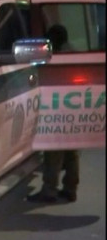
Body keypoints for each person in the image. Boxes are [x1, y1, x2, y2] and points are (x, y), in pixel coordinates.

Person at [27, 24, 78, 203]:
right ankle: (70, 188)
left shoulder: (58, 57)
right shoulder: (75, 53)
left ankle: (49, 190)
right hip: (74, 111)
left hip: (59, 110)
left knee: (53, 150)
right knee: (71, 151)